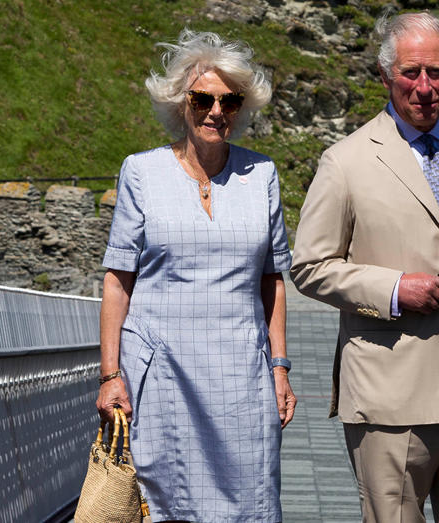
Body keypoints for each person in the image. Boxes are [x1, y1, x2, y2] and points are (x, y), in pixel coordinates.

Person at [290, 11, 439, 523]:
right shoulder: (345, 161)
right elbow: (308, 265)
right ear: (385, 74)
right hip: (389, 391)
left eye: (436, 73)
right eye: (410, 73)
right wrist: (396, 289)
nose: (424, 87)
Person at [95, 29, 296, 523]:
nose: (216, 111)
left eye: (229, 101)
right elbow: (117, 282)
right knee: (162, 504)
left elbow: (272, 280)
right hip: (162, 376)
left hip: (242, 380)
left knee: (249, 502)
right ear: (179, 103)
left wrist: (281, 367)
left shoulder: (262, 175)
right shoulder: (141, 172)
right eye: (202, 98)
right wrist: (110, 375)